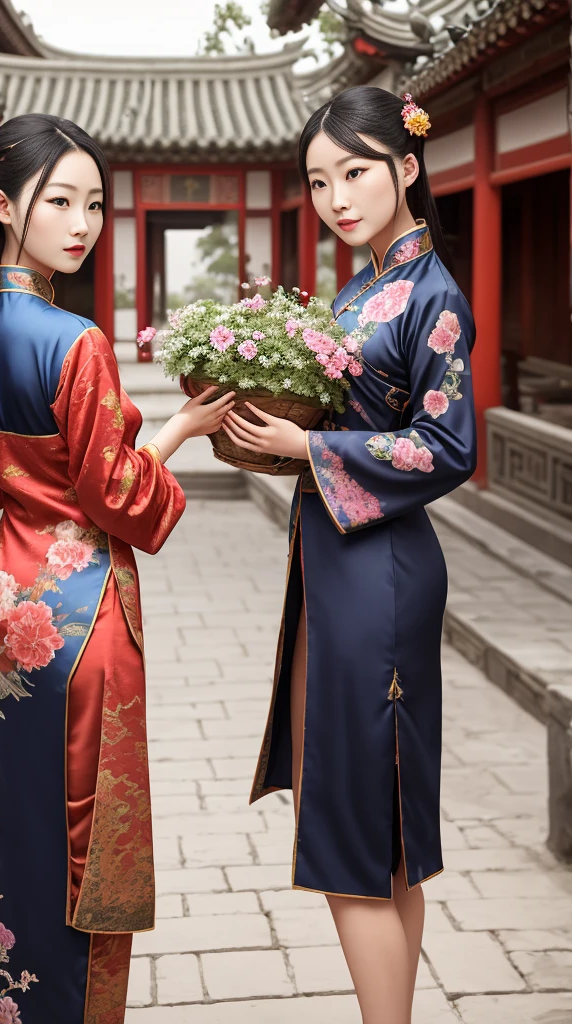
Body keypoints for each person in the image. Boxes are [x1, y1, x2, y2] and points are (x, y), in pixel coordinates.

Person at [0, 112, 232, 1024]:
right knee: (82, 841)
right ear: (1, 205)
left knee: (5, 824)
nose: (83, 222)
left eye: (94, 203)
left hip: (6, 602)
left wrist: (40, 496)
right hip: (82, 617)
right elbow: (119, 500)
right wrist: (179, 431)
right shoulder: (76, 342)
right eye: (59, 199)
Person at [223, 86, 477, 1024]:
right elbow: (351, 413)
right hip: (337, 563)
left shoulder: (431, 293)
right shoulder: (360, 289)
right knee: (381, 832)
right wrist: (267, 424)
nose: (337, 195)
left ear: (407, 169)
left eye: (356, 172)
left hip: (383, 574)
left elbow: (448, 447)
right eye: (319, 180)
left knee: (354, 833)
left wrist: (307, 450)